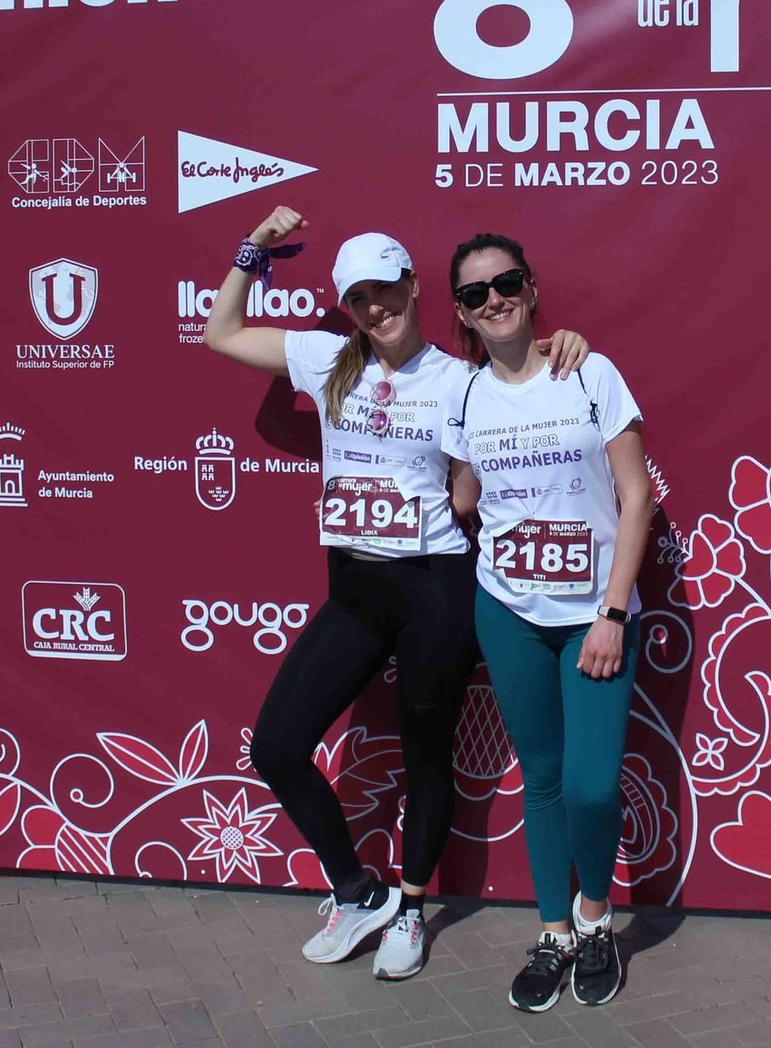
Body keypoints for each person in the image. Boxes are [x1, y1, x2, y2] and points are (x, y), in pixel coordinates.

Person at [202, 207, 588, 981]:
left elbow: (509, 420)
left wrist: (560, 348)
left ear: (413, 287)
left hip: (434, 588)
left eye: (386, 291)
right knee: (276, 743)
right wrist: (256, 247)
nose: (374, 309)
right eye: (359, 298)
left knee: (424, 753)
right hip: (355, 588)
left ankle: (411, 908)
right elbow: (222, 332)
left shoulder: (461, 380)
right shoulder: (326, 358)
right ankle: (357, 892)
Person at [440, 233, 652, 1013]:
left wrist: (612, 612)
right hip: (508, 613)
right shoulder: (463, 394)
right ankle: (556, 932)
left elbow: (637, 496)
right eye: (473, 292)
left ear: (530, 288)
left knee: (593, 786)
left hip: (594, 615)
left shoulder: (589, 372)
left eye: (505, 282)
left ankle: (597, 920)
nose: (492, 298)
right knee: (545, 780)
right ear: (461, 313)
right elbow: (465, 500)